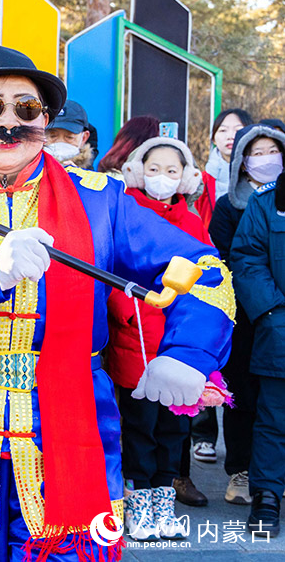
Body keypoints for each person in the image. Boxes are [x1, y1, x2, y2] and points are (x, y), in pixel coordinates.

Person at [0, 45, 234, 561]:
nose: (9, 122)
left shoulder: (101, 198)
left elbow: (205, 268)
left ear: (45, 121)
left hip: (75, 438)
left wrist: (188, 351)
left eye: (26, 109)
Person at [106, 137, 211, 540]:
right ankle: (138, 500)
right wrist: (124, 308)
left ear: (185, 177)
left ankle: (164, 500)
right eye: (154, 169)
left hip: (177, 346)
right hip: (136, 339)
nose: (162, 178)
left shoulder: (192, 221)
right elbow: (112, 270)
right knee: (139, 428)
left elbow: (208, 279)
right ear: (137, 170)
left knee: (174, 429)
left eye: (172, 171)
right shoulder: (126, 211)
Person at [208, 124, 282, 508]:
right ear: (242, 161)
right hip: (247, 315)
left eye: (273, 150)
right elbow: (228, 258)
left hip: (276, 318)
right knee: (245, 399)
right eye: (257, 152)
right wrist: (265, 305)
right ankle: (242, 469)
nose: (266, 159)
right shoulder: (229, 205)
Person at [230, 125, 285, 537]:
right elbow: (246, 257)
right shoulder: (268, 203)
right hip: (279, 329)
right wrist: (272, 312)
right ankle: (267, 496)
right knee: (273, 418)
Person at [44, 100, 94, 170]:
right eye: (53, 136)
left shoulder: (93, 178)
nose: (60, 142)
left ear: (84, 138)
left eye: (69, 137)